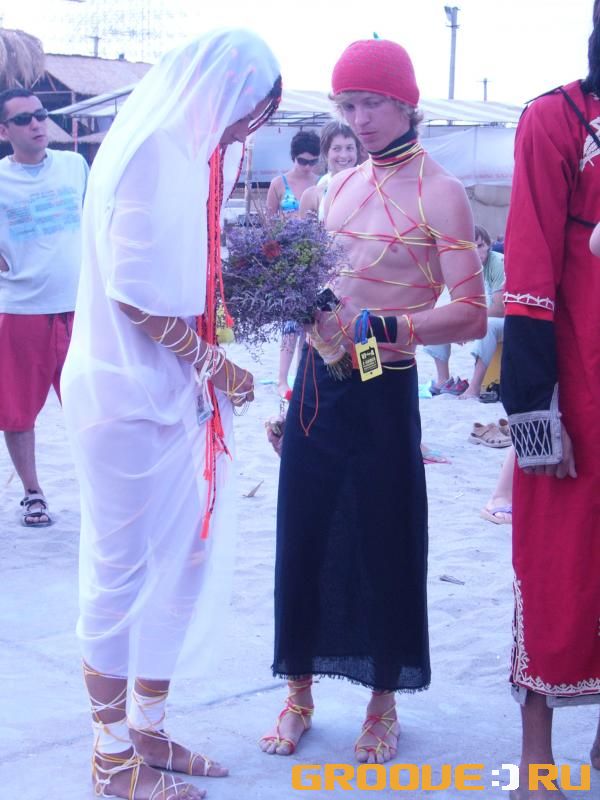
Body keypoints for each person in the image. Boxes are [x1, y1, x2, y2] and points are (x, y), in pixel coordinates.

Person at [60, 29, 281, 800]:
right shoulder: (155, 148)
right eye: (249, 112)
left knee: (184, 558)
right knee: (119, 569)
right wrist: (217, 362)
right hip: (124, 398)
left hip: (177, 393)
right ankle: (109, 755)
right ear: (225, 90)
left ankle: (148, 727)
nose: (246, 129)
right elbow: (133, 290)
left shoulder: (193, 154)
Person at [260, 37, 486, 764]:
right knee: (302, 530)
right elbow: (317, 282)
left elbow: (472, 314)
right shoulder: (337, 185)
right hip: (317, 380)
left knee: (384, 535)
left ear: (406, 104)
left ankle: (382, 702)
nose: (360, 119)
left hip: (384, 382)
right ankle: (297, 694)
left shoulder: (441, 191)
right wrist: (292, 307)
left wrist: (389, 327)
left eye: (373, 104)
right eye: (349, 106)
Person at [501, 2, 600, 794]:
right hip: (577, 388)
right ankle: (537, 756)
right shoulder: (555, 120)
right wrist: (535, 414)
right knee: (557, 565)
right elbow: (529, 271)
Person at [0, 88, 88, 527]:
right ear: (4, 131)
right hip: (21, 310)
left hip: (81, 310)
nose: (37, 124)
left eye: (41, 114)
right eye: (24, 119)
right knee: (17, 412)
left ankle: (101, 489)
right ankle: (32, 492)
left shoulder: (75, 166)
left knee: (93, 406)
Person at [267, 129, 320, 397]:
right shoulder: (279, 183)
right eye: (302, 161)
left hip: (314, 260)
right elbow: (268, 223)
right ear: (293, 157)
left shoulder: (321, 184)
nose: (307, 166)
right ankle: (281, 379)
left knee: (308, 323)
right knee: (290, 322)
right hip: (287, 261)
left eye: (313, 161)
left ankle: (300, 377)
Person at [425, 224, 505, 399]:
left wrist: (472, 323)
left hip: (508, 320)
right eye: (471, 247)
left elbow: (500, 309)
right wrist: (461, 326)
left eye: (480, 246)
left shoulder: (497, 263)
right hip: (482, 318)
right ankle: (443, 380)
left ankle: (474, 387)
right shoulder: (465, 269)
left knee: (489, 326)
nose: (476, 252)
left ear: (489, 245)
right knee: (438, 319)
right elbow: (459, 305)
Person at [299, 120, 361, 220]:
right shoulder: (313, 195)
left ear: (357, 151)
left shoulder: (372, 187)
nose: (343, 155)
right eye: (336, 149)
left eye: (349, 148)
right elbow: (303, 230)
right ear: (325, 152)